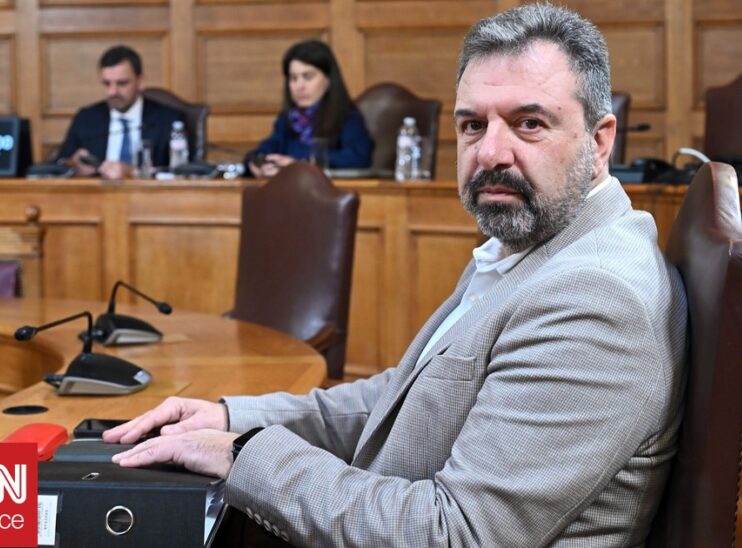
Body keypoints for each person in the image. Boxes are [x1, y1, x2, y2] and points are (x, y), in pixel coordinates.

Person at [106, 4, 687, 546]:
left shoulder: (593, 298)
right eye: (472, 125)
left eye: (529, 123)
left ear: (600, 142)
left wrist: (244, 454)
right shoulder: (537, 245)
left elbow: (454, 534)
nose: (490, 152)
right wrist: (232, 418)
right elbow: (408, 399)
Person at [245, 40, 373, 178]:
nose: (299, 86)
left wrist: (301, 164)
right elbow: (266, 149)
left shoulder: (347, 116)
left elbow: (358, 158)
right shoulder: (287, 118)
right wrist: (257, 162)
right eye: (293, 78)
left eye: (308, 77)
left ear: (328, 80)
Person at [56, 45, 183, 180]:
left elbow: (182, 172)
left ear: (140, 81)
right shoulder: (86, 118)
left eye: (122, 83)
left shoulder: (168, 120)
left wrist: (133, 172)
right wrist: (73, 164)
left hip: (149, 193)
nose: (112, 92)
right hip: (97, 192)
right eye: (107, 84)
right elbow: (58, 165)